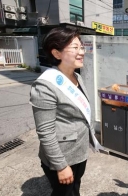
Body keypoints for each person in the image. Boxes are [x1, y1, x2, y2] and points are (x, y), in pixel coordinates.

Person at [29, 27, 101, 196]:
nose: (81, 52)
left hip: (78, 152)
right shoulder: (45, 86)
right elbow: (45, 132)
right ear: (57, 53)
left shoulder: (77, 77)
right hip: (62, 157)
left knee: (75, 189)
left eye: (81, 47)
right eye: (75, 48)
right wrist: (61, 166)